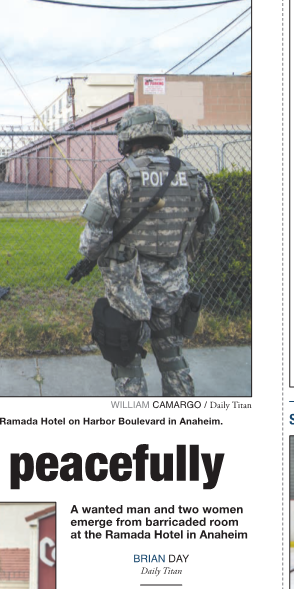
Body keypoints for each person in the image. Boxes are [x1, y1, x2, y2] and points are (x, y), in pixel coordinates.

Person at [71, 105, 219, 399]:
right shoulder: (193, 176)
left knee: (127, 361)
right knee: (172, 355)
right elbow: (208, 226)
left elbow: (93, 241)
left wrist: (91, 254)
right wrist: (181, 253)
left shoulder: (118, 177)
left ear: (128, 138)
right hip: (172, 283)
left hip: (129, 289)